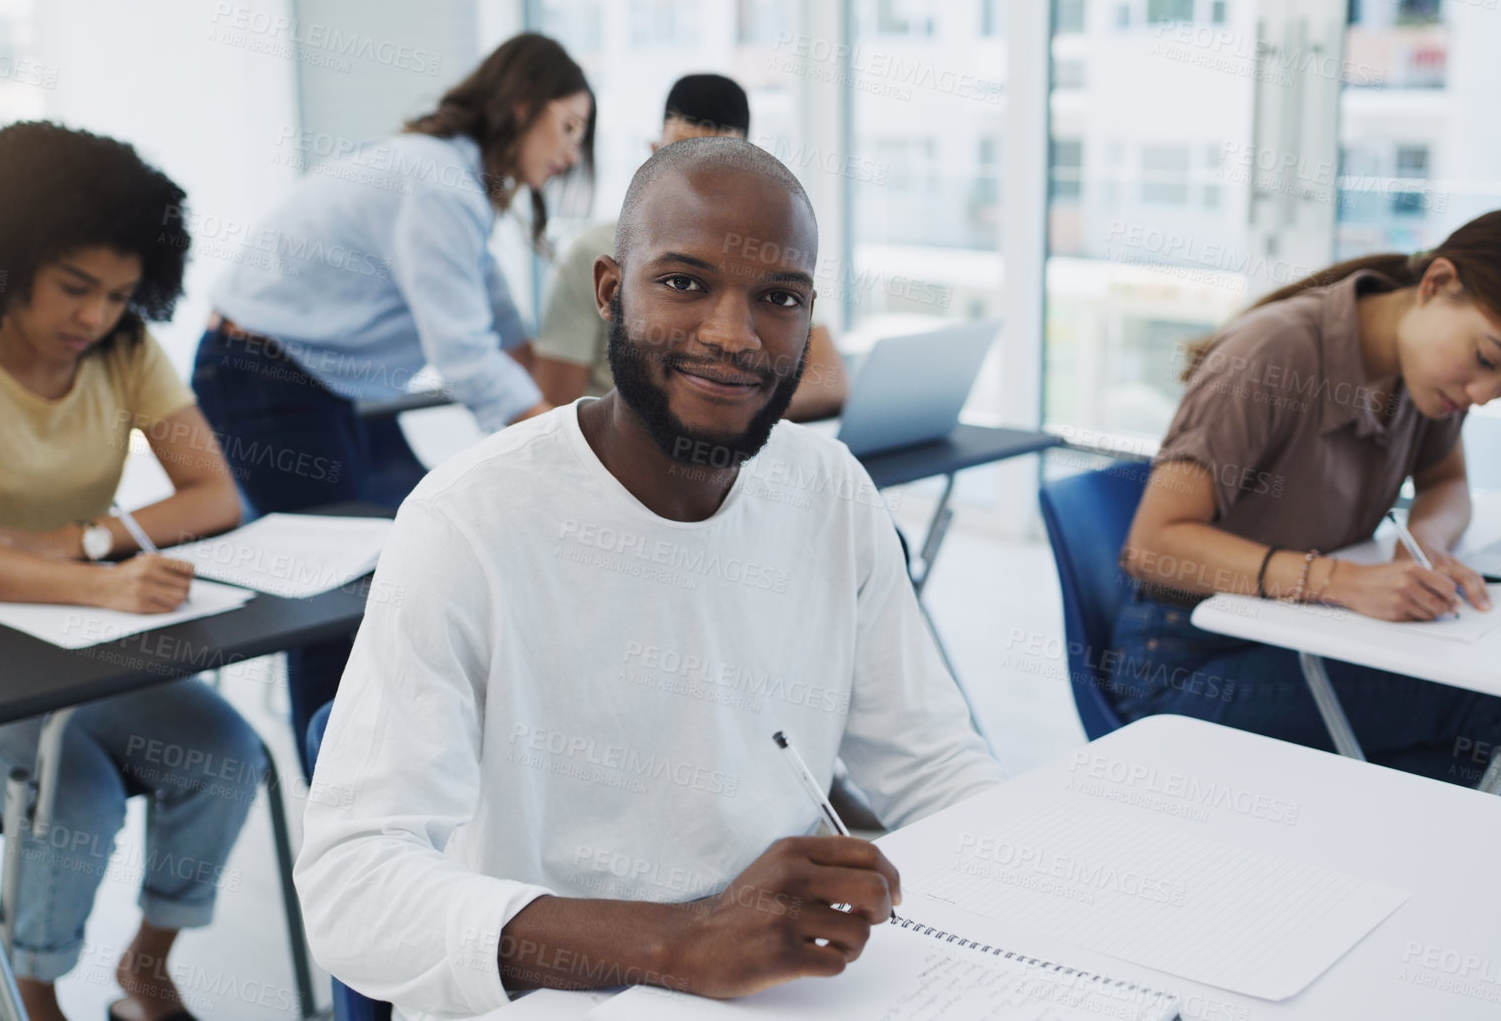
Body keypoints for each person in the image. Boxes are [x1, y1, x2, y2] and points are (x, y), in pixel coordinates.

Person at [294, 138, 1003, 1019]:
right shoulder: (466, 524)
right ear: (608, 290)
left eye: (777, 298)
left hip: (774, 982)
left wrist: (1044, 925)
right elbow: (351, 888)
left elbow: (935, 765)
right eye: (683, 282)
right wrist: (681, 941)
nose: (731, 335)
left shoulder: (830, 493)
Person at [1114, 205, 1501, 1021]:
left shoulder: (1421, 378)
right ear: (1436, 283)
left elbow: (1445, 490)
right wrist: (1336, 580)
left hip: (1294, 646)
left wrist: (1425, 546)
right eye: (1486, 361)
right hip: (1180, 667)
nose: (1480, 395)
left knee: (1468, 789)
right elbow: (1152, 543)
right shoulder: (1274, 353)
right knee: (1491, 709)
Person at [0, 121, 261, 1021]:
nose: (95, 317)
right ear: (6, 255)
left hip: (68, 653)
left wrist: (72, 544)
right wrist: (104, 582)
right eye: (75, 288)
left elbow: (214, 496)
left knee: (224, 754)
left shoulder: (126, 353)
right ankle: (28, 1001)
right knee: (70, 786)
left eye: (119, 294)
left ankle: (145, 974)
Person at [192, 32, 596, 763]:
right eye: (567, 128)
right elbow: (467, 355)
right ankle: (339, 792)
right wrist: (568, 458)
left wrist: (593, 415)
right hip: (261, 375)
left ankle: (401, 761)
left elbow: (504, 330)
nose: (569, 155)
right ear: (519, 106)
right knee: (335, 587)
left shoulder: (459, 189)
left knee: (414, 547)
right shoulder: (438, 182)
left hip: (316, 383)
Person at [532, 73, 848, 420]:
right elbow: (554, 408)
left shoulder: (766, 255)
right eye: (680, 282)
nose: (698, 178)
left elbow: (829, 382)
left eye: (719, 161)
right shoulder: (588, 251)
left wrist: (727, 415)